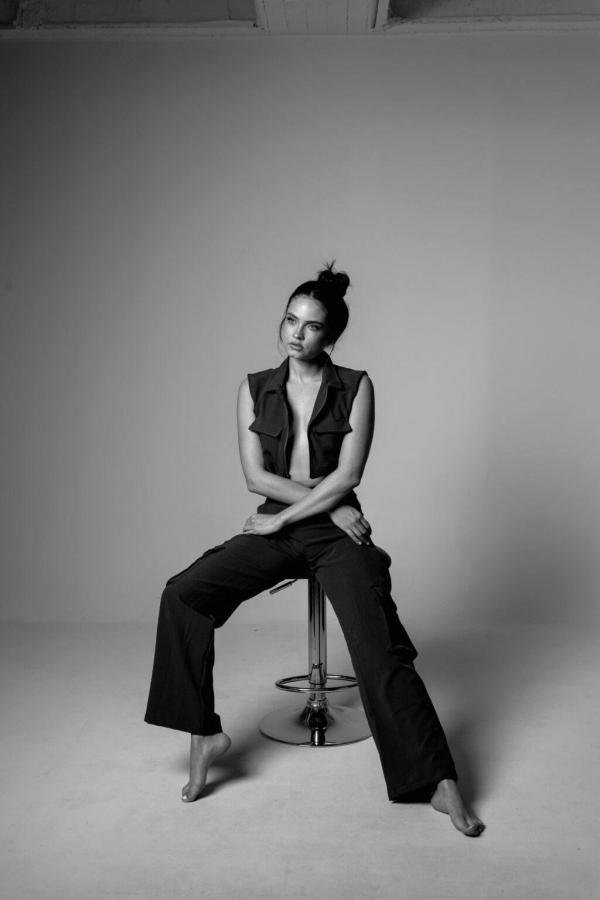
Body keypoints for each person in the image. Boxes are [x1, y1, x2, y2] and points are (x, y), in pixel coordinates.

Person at [144, 263, 485, 837]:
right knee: (183, 594)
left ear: (332, 335)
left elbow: (349, 473)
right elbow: (256, 478)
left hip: (334, 535)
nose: (296, 334)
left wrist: (308, 514)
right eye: (289, 320)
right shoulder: (253, 387)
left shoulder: (357, 385)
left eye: (311, 326)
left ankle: (437, 779)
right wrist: (317, 509)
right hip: (290, 522)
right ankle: (204, 734)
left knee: (380, 647)